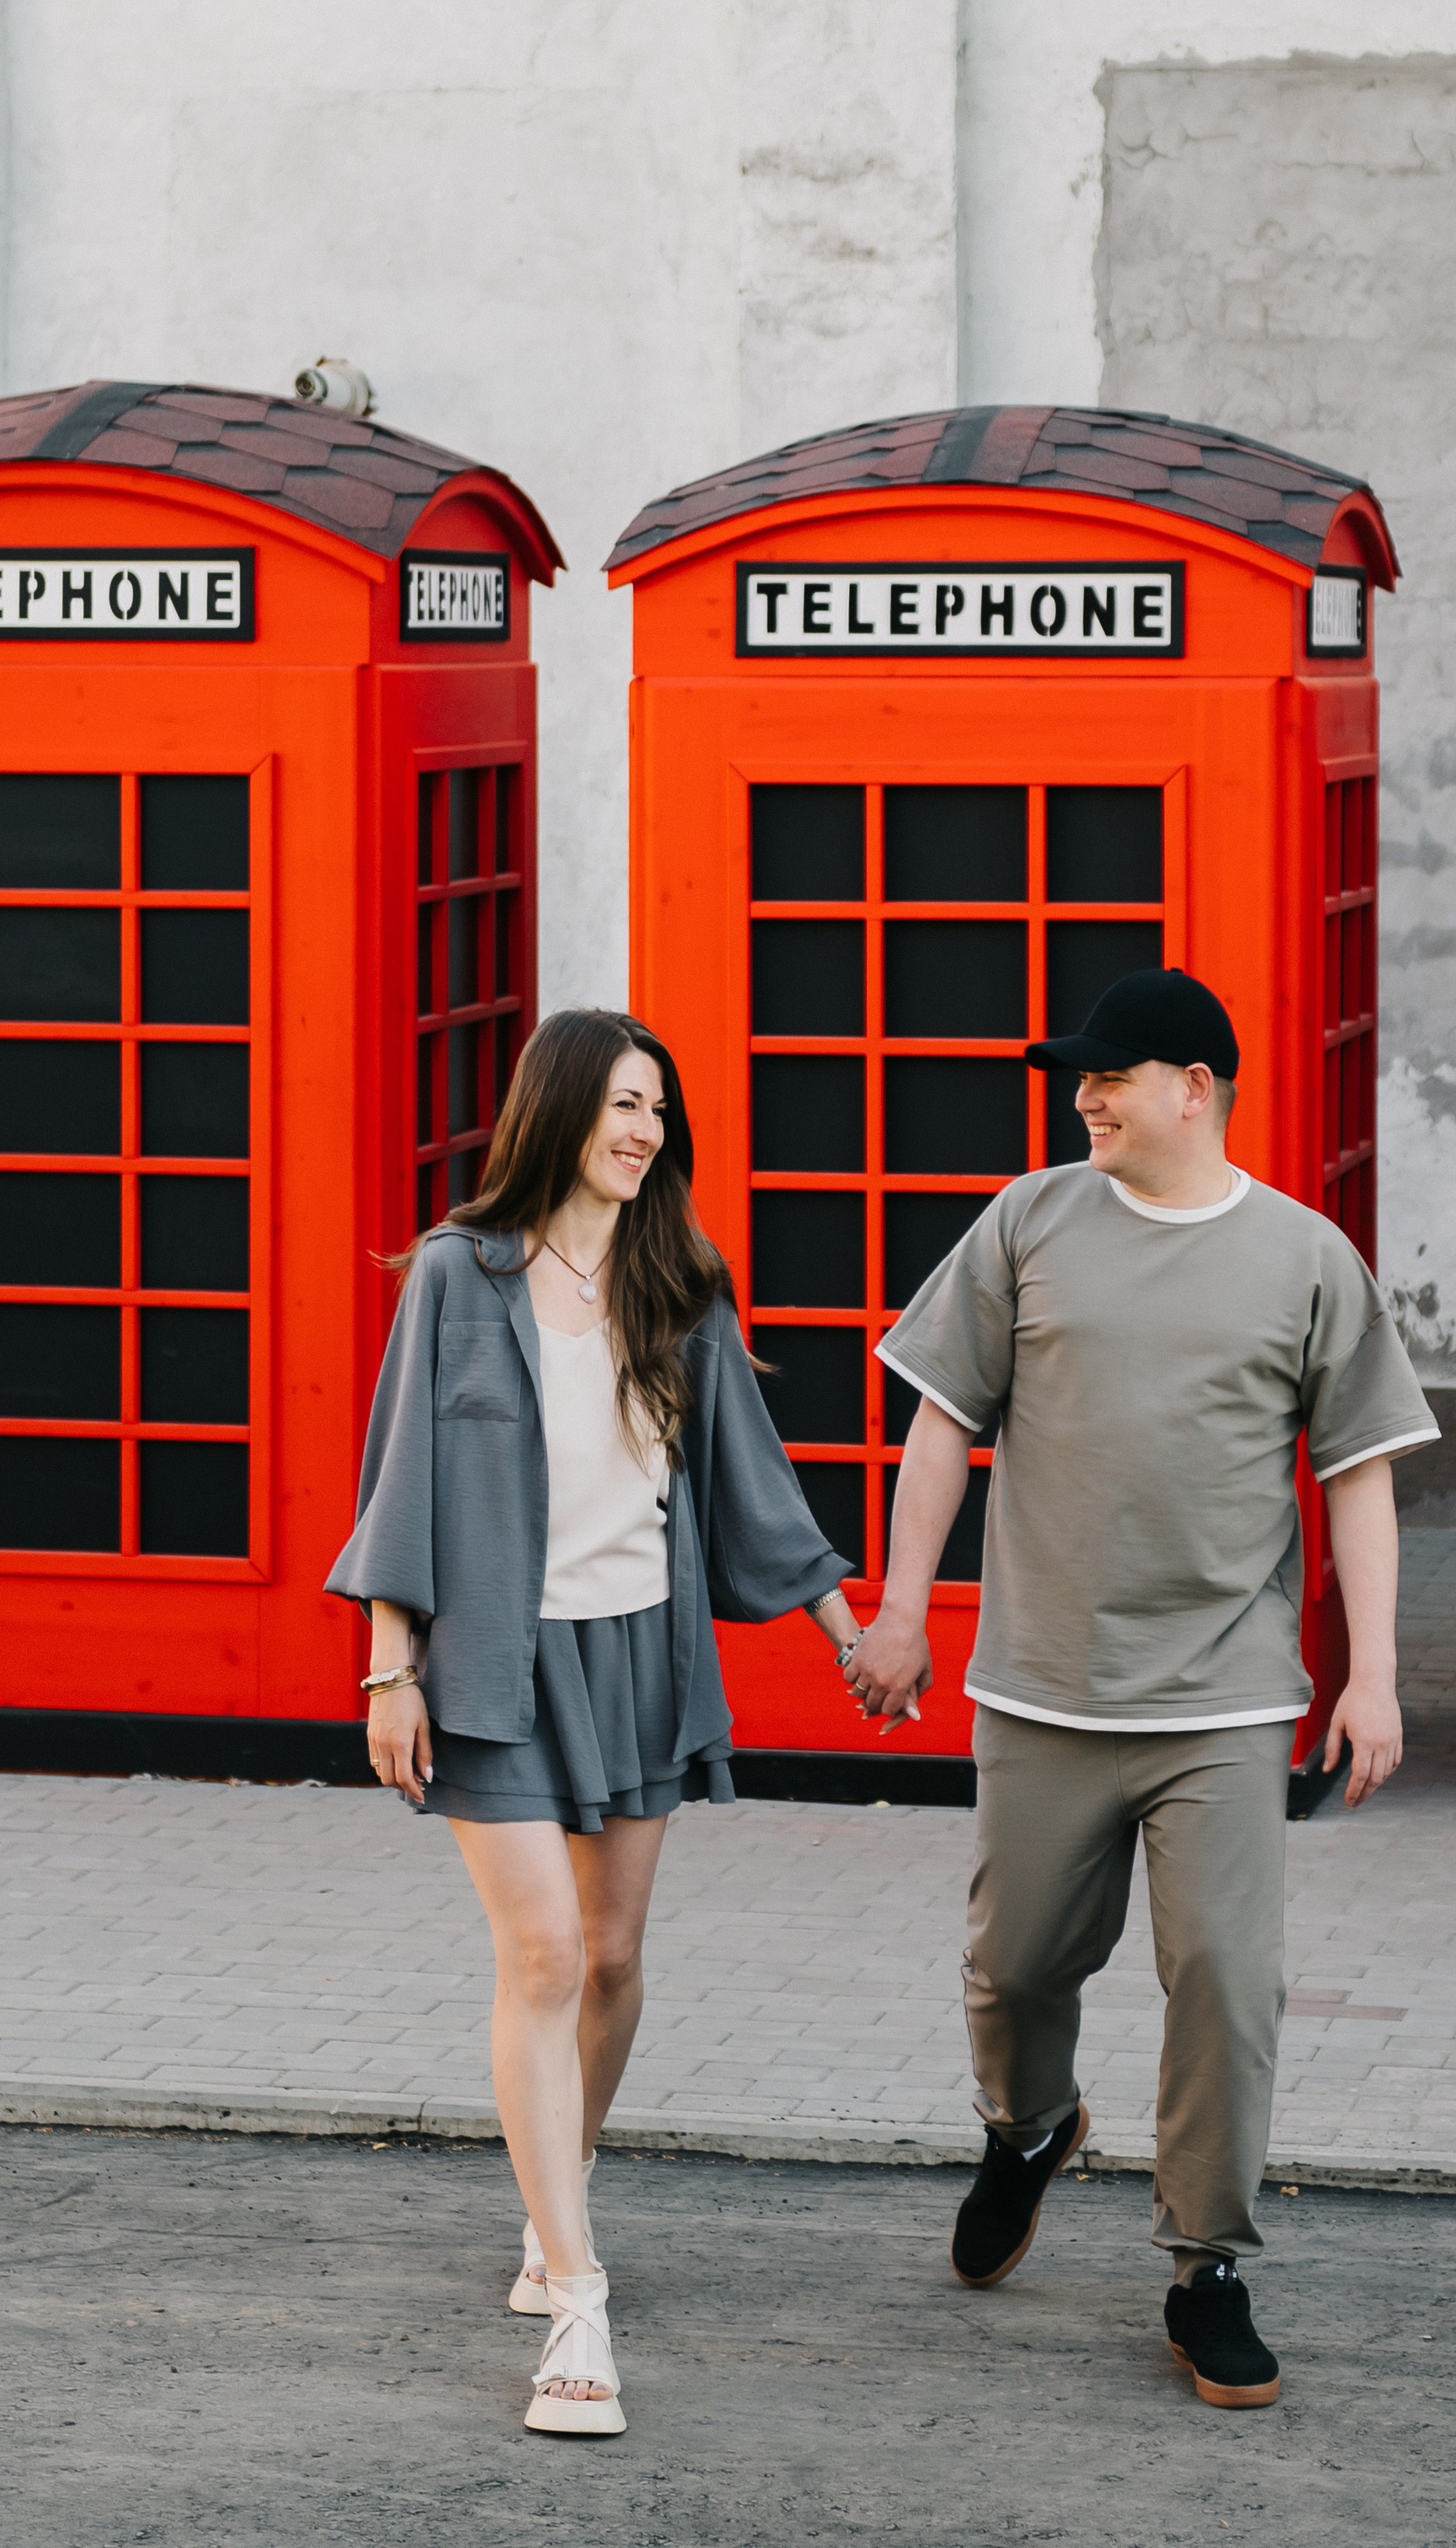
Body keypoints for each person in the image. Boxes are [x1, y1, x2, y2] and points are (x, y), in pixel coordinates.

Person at [847, 968, 1437, 2409]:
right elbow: (940, 1421)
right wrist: (903, 1609)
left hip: (1227, 1699)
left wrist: (1374, 1676)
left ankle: (1205, 2269)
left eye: (1114, 1075)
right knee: (1018, 1967)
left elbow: (1357, 1470)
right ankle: (1030, 2126)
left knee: (1228, 1981)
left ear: (1200, 1087)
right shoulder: (1029, 1222)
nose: (1086, 1095)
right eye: (1079, 1078)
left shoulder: (1306, 1258)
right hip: (1042, 1682)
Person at [327, 1008, 860, 2437]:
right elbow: (401, 1479)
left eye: (660, 1113)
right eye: (626, 1104)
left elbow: (751, 1483)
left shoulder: (679, 1279)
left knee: (615, 1958)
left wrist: (846, 1634)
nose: (645, 1133)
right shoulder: (460, 1274)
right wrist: (392, 1670)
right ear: (560, 1108)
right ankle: (576, 2302)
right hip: (495, 1665)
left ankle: (553, 2191)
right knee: (545, 1952)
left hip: (639, 1656)